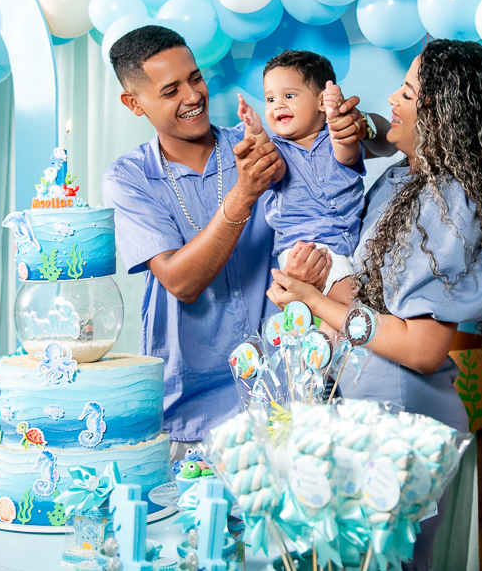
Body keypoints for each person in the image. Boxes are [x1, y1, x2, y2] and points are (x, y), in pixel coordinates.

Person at [268, 39, 482, 570]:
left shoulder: (450, 203)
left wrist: (315, 300)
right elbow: (368, 298)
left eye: (407, 93)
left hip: (402, 412)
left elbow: (422, 349)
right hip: (362, 404)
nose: (392, 99)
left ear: (440, 116)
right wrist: (316, 284)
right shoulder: (401, 180)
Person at [100, 26, 371, 451]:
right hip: (194, 410)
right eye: (171, 90)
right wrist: (244, 193)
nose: (193, 96)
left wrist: (359, 124)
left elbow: (336, 156)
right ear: (134, 103)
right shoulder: (129, 178)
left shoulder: (266, 146)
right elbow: (180, 282)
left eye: (195, 78)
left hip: (289, 398)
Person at [237, 50, 368, 295]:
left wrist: (336, 117)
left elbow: (348, 155)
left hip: (352, 242)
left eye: (289, 96)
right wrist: (255, 133)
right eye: (270, 99)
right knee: (352, 301)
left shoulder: (336, 138)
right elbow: (273, 170)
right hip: (308, 249)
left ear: (322, 102)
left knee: (361, 302)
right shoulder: (277, 149)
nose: (278, 105)